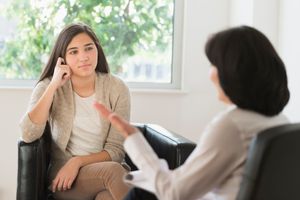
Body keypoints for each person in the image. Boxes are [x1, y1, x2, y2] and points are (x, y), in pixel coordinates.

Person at [94, 25, 290, 200]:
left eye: (214, 65)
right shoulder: (280, 121)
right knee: (145, 188)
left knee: (143, 191)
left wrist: (133, 137)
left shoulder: (232, 125)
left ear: (232, 72)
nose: (210, 73)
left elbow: (173, 194)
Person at [20, 23, 131, 200]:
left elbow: (116, 150)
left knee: (107, 197)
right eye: (73, 52)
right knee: (114, 173)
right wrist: (53, 85)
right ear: (61, 58)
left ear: (97, 50)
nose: (84, 57)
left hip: (107, 170)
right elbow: (28, 134)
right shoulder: (49, 87)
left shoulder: (117, 88)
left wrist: (77, 162)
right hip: (66, 179)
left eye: (89, 48)